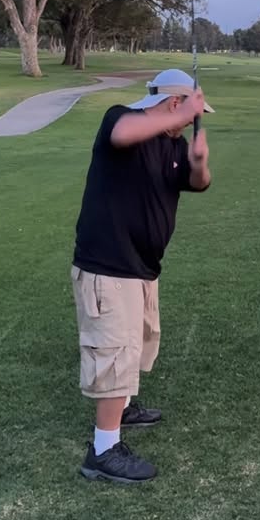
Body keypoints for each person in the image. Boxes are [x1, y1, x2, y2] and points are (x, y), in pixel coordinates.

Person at [70, 69, 213, 484]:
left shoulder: (173, 144)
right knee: (114, 352)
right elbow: (123, 135)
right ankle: (103, 451)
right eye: (189, 113)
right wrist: (180, 115)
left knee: (136, 344)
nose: (189, 122)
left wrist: (200, 163)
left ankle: (123, 407)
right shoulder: (120, 119)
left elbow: (197, 183)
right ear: (174, 103)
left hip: (143, 267)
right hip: (108, 264)